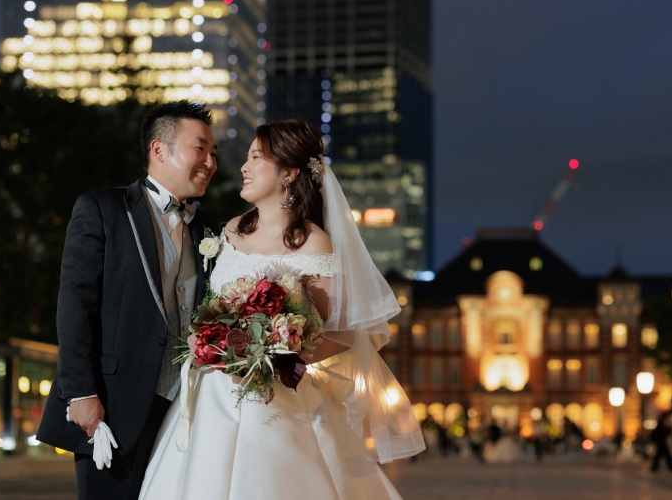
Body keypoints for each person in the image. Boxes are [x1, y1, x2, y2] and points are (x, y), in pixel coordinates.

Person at [138, 119, 424, 499]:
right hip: (210, 396)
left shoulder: (312, 243)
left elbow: (342, 332)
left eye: (256, 157)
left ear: (288, 173)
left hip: (276, 400)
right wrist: (209, 340)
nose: (243, 167)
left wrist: (276, 353)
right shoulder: (229, 231)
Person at [36, 101, 220, 500]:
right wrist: (81, 393)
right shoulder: (102, 209)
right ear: (159, 150)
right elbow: (75, 306)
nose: (210, 162)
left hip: (184, 407)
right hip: (113, 405)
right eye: (200, 149)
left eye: (213, 154)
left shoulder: (208, 228)